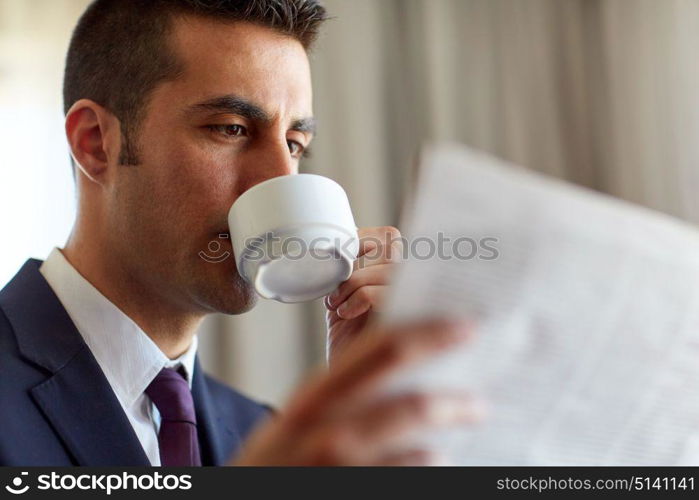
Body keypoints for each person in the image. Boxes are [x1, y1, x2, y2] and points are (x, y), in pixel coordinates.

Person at [0, 0, 482, 466]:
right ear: (96, 144)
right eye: (231, 129)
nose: (280, 178)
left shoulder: (265, 434)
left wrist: (365, 406)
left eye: (295, 144)